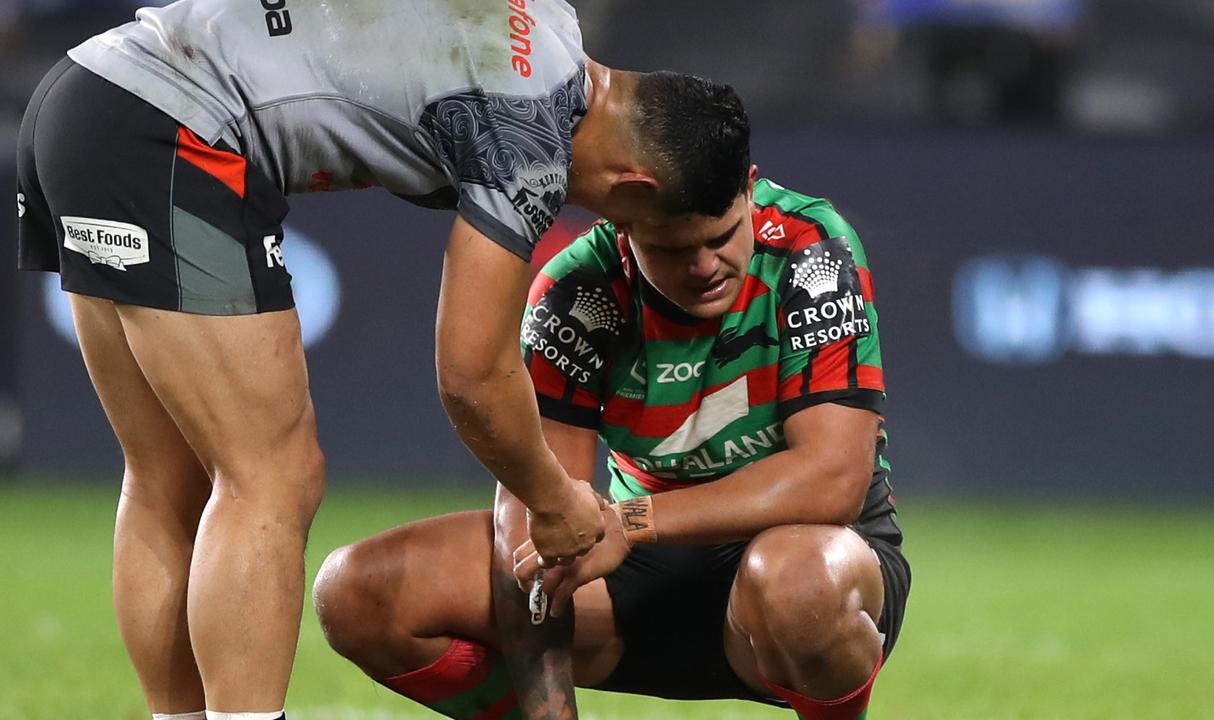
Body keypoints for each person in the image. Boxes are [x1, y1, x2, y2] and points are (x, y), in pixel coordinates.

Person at [14, 1, 751, 717]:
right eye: (653, 236)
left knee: (165, 477)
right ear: (635, 185)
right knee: (273, 476)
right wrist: (555, 501)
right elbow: (470, 373)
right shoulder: (528, 144)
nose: (636, 248)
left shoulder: (548, 19)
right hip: (171, 133)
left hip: (85, 91)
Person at [312, 153, 911, 720]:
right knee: (357, 594)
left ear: (750, 191)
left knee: (795, 583)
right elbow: (533, 526)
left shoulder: (812, 246)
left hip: (805, 559)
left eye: (722, 236)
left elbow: (832, 482)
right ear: (623, 230)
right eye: (674, 249)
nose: (704, 266)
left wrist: (633, 521)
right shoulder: (580, 291)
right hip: (637, 578)